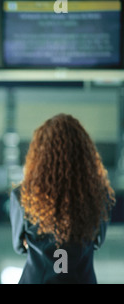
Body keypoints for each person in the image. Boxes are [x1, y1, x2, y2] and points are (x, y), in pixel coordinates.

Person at [10, 113, 115, 284]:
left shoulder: (23, 195)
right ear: (84, 154)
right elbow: (97, 241)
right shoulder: (100, 196)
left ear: (39, 154)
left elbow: (19, 245)